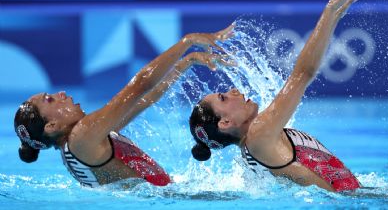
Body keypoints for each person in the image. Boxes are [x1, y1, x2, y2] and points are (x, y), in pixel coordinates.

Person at [188, 0, 362, 192]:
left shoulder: (256, 144)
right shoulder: (259, 136)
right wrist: (330, 12)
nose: (233, 91)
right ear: (225, 122)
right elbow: (302, 75)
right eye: (223, 98)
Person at [13, 25, 235, 188]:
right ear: (51, 126)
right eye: (50, 99)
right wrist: (187, 41)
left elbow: (146, 98)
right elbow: (140, 86)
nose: (60, 93)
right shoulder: (82, 137)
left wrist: (188, 61)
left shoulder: (84, 143)